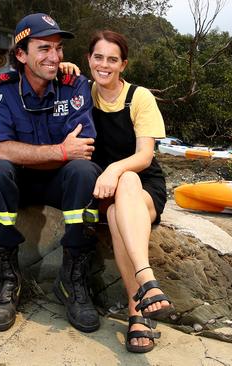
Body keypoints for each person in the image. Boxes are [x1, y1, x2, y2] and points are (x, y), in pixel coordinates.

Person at [0, 13, 102, 334]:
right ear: (21, 54)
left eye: (58, 49)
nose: (55, 57)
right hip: (17, 184)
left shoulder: (74, 86)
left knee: (85, 171)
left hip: (60, 184)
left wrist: (26, 153)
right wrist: (59, 151)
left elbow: (82, 149)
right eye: (44, 48)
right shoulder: (0, 87)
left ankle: (73, 278)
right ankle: (5, 277)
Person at [87, 30, 175, 353]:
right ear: (89, 60)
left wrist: (114, 168)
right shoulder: (84, 93)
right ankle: (146, 289)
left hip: (143, 187)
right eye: (98, 57)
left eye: (113, 59)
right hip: (104, 190)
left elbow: (144, 156)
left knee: (121, 195)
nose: (104, 65)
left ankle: (136, 307)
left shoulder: (139, 98)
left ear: (123, 64)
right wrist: (65, 66)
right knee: (112, 208)